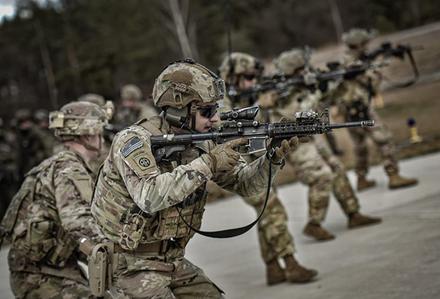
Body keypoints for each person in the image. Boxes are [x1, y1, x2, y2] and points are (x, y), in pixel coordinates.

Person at [91, 59, 299, 298]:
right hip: (130, 265)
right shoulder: (133, 140)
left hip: (172, 259)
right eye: (206, 111)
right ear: (179, 110)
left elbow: (244, 183)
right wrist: (210, 162)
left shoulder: (202, 138)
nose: (215, 119)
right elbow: (149, 196)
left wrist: (271, 159)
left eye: (215, 110)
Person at [218, 52, 318, 285]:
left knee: (265, 209)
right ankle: (290, 263)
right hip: (232, 167)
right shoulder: (220, 100)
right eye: (248, 77)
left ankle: (273, 267)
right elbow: (225, 128)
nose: (253, 82)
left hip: (252, 163)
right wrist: (258, 105)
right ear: (233, 77)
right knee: (272, 207)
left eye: (254, 77)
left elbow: (261, 128)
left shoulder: (248, 94)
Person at [270, 48, 382, 241]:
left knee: (337, 168)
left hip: (312, 136)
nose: (306, 72)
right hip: (296, 142)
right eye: (301, 70)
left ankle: (353, 213)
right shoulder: (282, 92)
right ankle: (314, 224)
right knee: (321, 176)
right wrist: (315, 91)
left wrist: (336, 81)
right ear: (292, 71)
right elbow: (296, 113)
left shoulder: (303, 86)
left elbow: (327, 99)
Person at [2, 101, 108, 298]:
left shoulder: (58, 161)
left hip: (53, 268)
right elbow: (79, 223)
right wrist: (117, 253)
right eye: (100, 132)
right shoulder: (70, 168)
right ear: (88, 134)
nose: (102, 138)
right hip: (39, 275)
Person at [337, 28, 418, 191]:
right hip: (361, 110)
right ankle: (393, 175)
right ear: (358, 44)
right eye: (364, 44)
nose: (367, 47)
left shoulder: (350, 60)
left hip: (350, 111)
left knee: (360, 147)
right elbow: (370, 81)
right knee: (384, 140)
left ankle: (361, 178)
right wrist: (380, 63)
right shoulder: (353, 64)